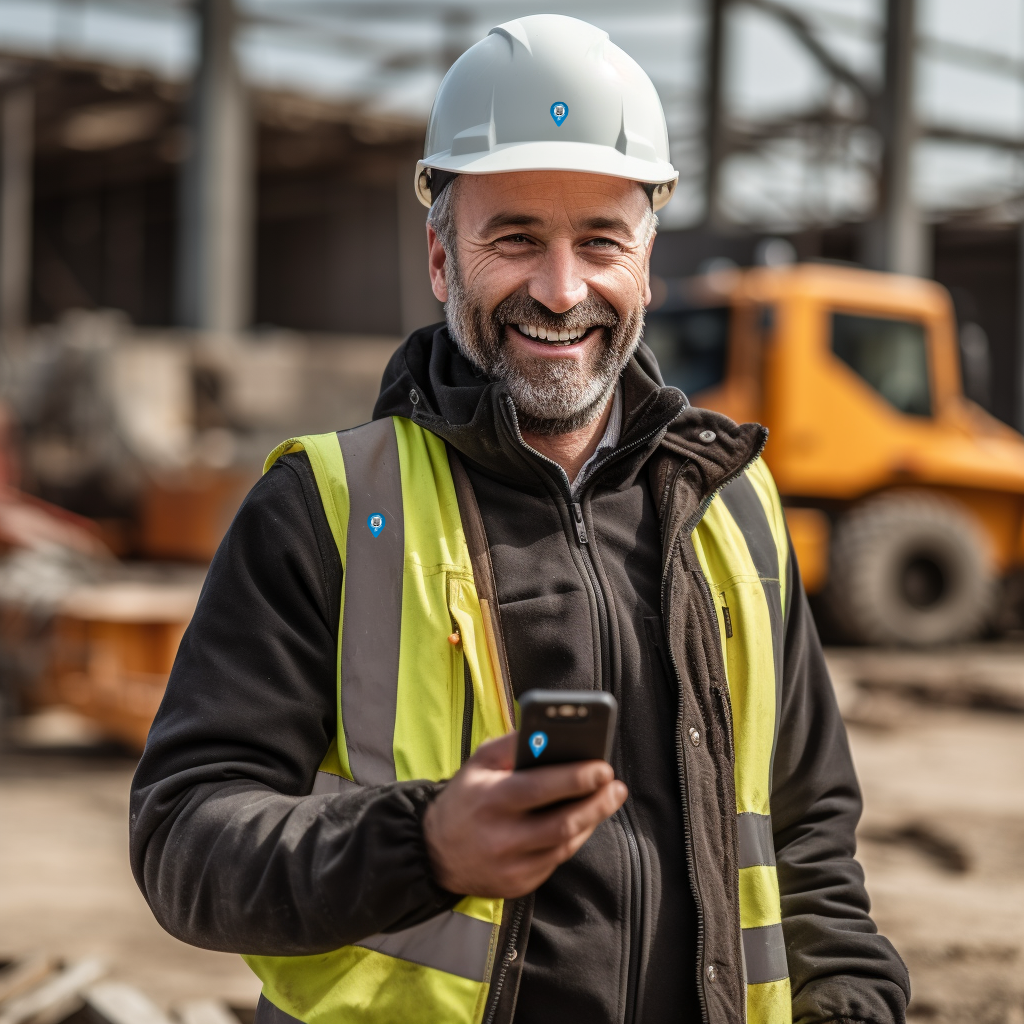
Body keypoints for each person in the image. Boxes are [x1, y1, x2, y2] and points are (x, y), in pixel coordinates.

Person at [130, 14, 910, 1024]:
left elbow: (806, 836)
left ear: (646, 257)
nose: (560, 288)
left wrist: (849, 1004)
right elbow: (185, 839)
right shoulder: (328, 508)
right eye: (513, 238)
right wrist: (425, 845)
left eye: (599, 241)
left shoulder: (731, 506)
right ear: (443, 258)